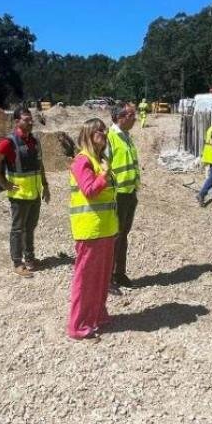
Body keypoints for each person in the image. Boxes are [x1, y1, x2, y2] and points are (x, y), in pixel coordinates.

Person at [67, 117, 119, 340]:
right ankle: (77, 325)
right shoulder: (82, 161)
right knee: (86, 279)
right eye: (99, 130)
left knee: (102, 278)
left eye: (105, 130)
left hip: (105, 228)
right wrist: (105, 175)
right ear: (88, 134)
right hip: (90, 230)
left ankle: (97, 315)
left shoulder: (100, 159)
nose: (104, 133)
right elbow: (89, 190)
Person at [0, 106, 51, 278]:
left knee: (30, 227)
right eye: (26, 119)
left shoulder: (34, 141)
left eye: (31, 119)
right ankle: (17, 262)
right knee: (17, 229)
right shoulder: (9, 142)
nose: (30, 122)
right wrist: (4, 183)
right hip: (19, 195)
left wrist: (45, 186)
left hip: (35, 193)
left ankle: (30, 258)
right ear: (17, 122)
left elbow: (40, 165)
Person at [106, 104, 140, 295]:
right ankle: (108, 277)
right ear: (120, 117)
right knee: (115, 236)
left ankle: (120, 273)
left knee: (123, 235)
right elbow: (104, 167)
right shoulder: (110, 138)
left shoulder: (126, 137)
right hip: (117, 194)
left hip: (129, 193)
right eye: (131, 115)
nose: (135, 118)